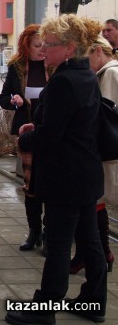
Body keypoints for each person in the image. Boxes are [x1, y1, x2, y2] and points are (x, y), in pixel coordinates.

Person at [5, 14, 107, 325]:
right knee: (90, 240)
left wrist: (27, 136)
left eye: (50, 45)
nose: (44, 50)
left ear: (69, 47)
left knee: (60, 244)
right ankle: (94, 301)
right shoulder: (86, 75)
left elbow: (51, 137)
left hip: (66, 176)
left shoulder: (64, 80)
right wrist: (45, 126)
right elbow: (75, 125)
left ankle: (44, 310)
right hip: (86, 173)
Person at [0, 24, 53, 252]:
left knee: (50, 183)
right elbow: (3, 98)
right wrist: (14, 100)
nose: (42, 49)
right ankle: (34, 231)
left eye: (45, 45)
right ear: (26, 47)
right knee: (30, 183)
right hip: (27, 133)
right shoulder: (17, 67)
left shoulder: (56, 66)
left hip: (51, 132)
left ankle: (50, 232)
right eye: (37, 46)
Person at [69, 36, 118, 275]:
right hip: (104, 151)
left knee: (96, 203)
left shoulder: (109, 74)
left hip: (105, 153)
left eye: (88, 58)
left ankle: (96, 255)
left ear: (98, 51)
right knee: (96, 204)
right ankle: (97, 254)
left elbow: (104, 116)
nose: (87, 64)